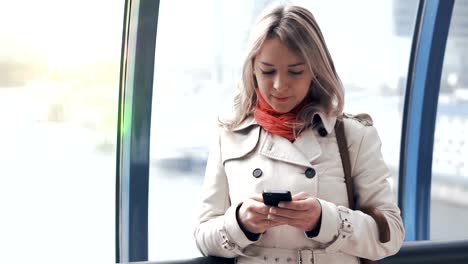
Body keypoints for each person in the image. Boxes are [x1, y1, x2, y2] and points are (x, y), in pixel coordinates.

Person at [194, 4, 404, 264]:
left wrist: (323, 219)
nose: (280, 85)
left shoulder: (354, 136)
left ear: (315, 70)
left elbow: (391, 235)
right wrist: (240, 222)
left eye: (295, 71)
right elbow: (203, 237)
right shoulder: (229, 136)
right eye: (268, 71)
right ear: (252, 70)